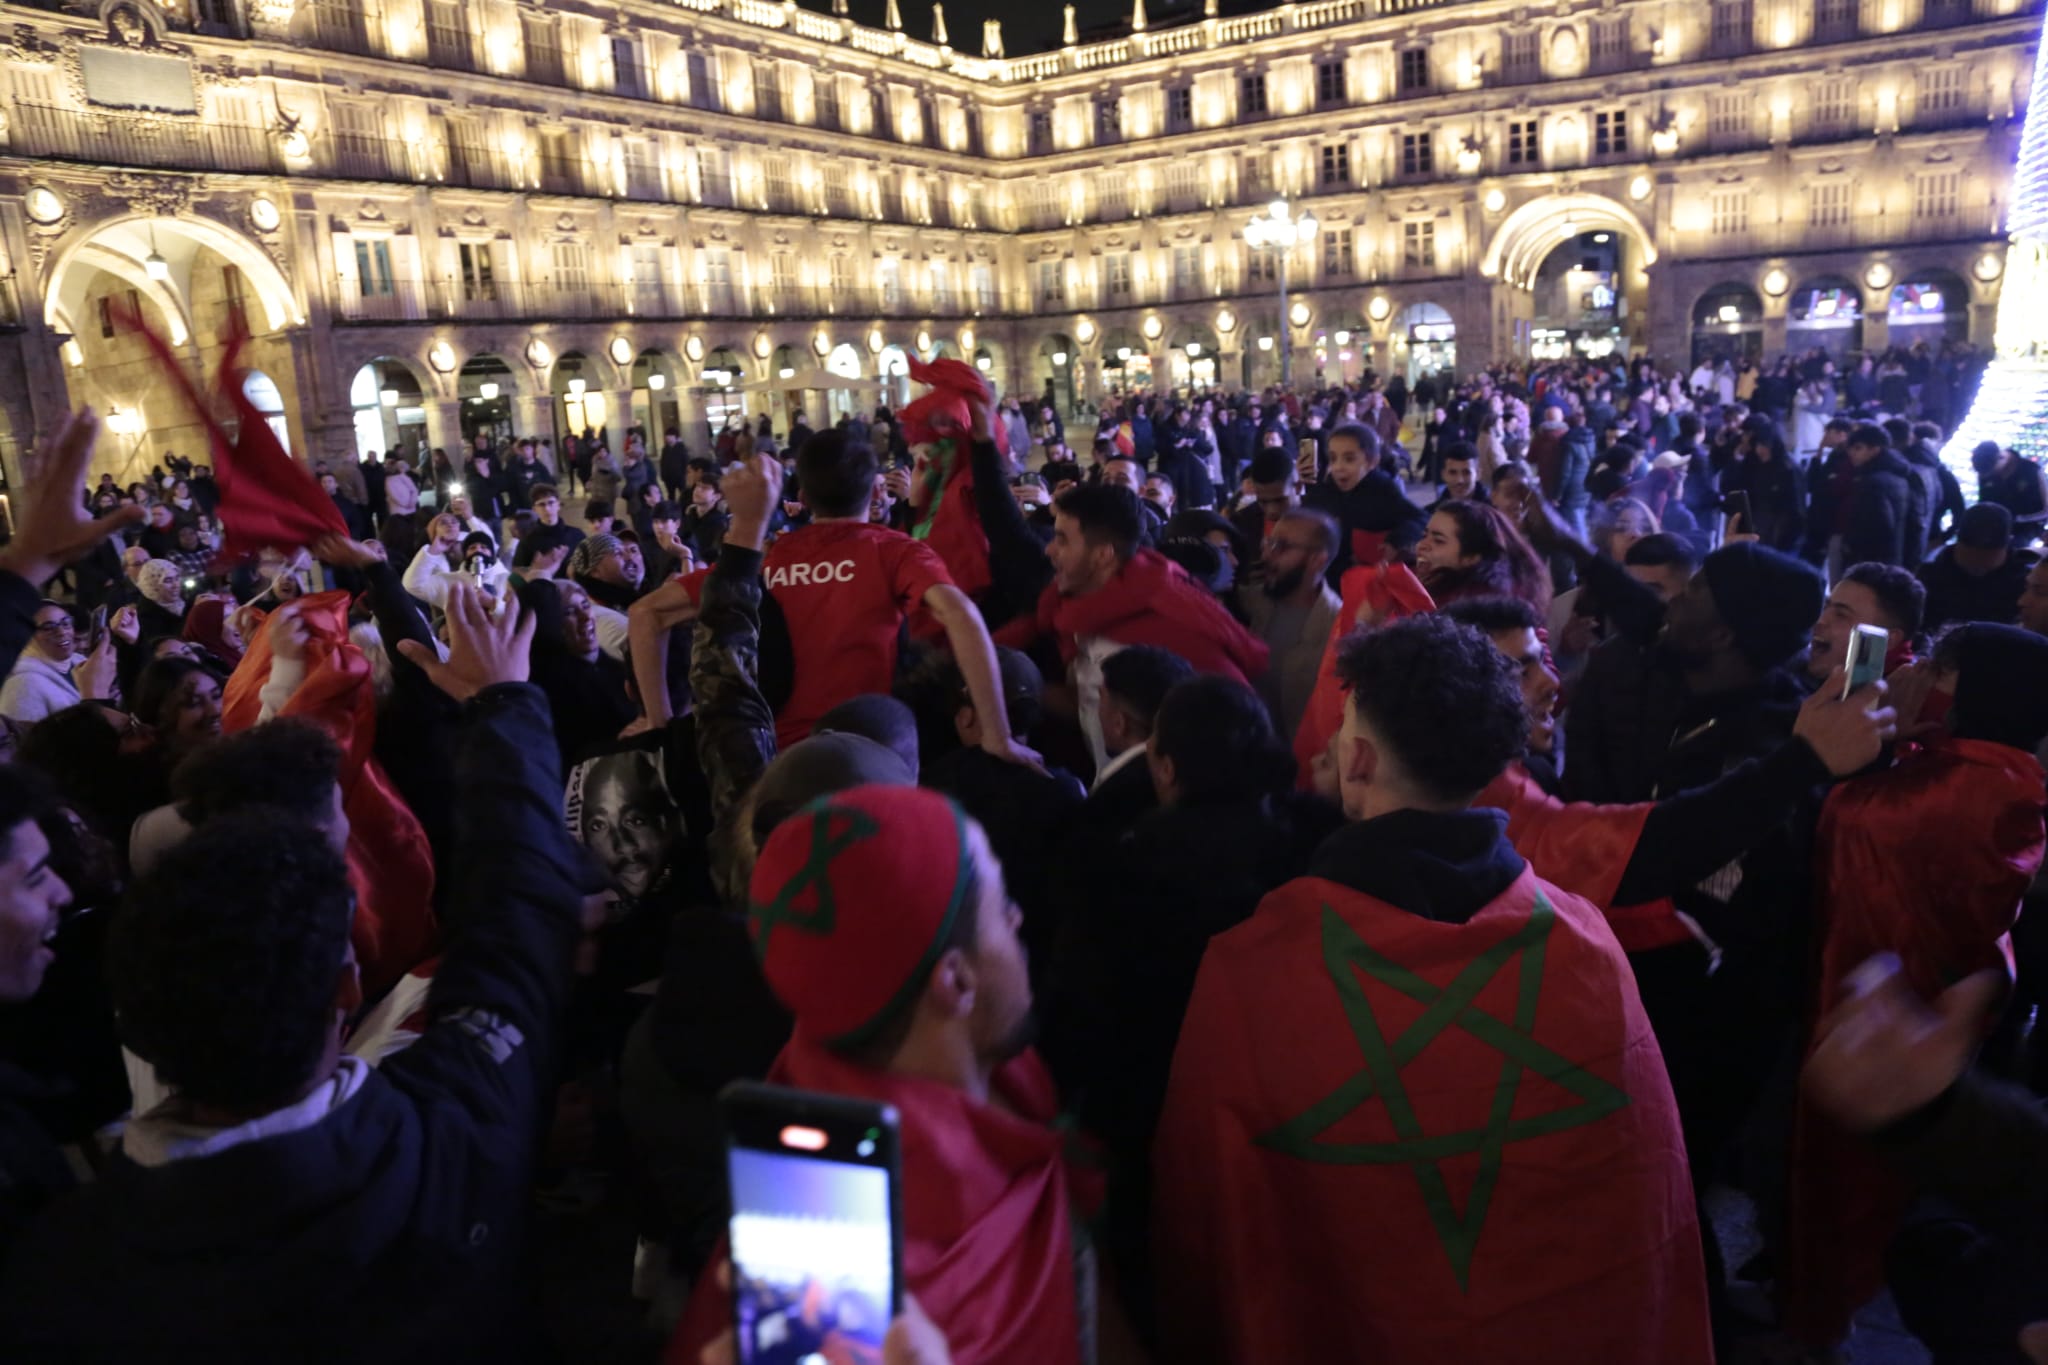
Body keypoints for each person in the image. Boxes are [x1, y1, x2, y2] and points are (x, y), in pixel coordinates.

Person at [0, 587, 594, 1360]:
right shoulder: (457, 1128)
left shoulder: (53, 1275)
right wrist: (506, 703)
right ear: (345, 988)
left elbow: (521, 920)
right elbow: (521, 917)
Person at [1151, 615, 1712, 1365]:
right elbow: (1641, 1200)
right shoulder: (1584, 942)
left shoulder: (1255, 965)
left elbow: (1204, 1215)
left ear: (1356, 761)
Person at [674, 784, 1105, 1365]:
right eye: (1000, 904)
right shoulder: (852, 1306)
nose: (1017, 915)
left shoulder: (1004, 1072)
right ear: (954, 982)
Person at [1784, 623, 2048, 1349]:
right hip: (1919, 1030)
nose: (1915, 669)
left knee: (1856, 1190)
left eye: (1937, 664)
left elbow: (1841, 819)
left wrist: (1838, 749)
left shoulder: (1954, 793)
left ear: (1972, 693)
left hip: (1886, 1030)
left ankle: (1828, 1319)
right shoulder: (1988, 770)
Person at [996, 484, 1267, 773]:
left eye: (1062, 540)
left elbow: (1239, 737)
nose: (1049, 549)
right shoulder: (1082, 610)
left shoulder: (1167, 630)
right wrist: (1014, 684)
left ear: (1103, 555)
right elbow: (1091, 703)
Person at [1238, 507, 1340, 742]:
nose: (1266, 555)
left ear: (1317, 560)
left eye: (1280, 547)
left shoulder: (1337, 628)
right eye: (1268, 543)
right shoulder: (1251, 603)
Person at [1302, 423, 1427, 586]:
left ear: (1371, 462)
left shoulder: (1383, 490)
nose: (1338, 467)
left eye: (1349, 459)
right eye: (1333, 458)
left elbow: (1420, 518)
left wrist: (1397, 539)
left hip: (1367, 583)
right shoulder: (1325, 491)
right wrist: (1299, 490)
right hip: (1328, 580)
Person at [1414, 499, 1551, 612]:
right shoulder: (1417, 580)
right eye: (1424, 535)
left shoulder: (1487, 613)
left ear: (1472, 557)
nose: (1421, 545)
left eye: (1438, 541)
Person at [1804, 561, 1925, 687]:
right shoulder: (1795, 672)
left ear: (1888, 640)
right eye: (1825, 607)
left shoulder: (1905, 699)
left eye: (1841, 615)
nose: (1819, 621)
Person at [1920, 502, 2037, 631]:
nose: (1978, 567)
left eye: (1986, 562)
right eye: (1969, 561)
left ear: (2009, 543)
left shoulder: (2028, 584)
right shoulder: (1929, 576)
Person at [0, 603, 111, 725]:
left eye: (65, 623)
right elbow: (25, 742)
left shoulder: (79, 661)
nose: (61, 632)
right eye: (48, 628)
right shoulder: (21, 685)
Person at [1971, 440, 2048, 546]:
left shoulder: (2031, 470)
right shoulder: (1986, 472)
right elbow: (1983, 501)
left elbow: (2046, 510)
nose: (1988, 475)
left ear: (2001, 458)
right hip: (1995, 527)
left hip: (2026, 528)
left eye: (1992, 471)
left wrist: (2019, 519)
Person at [511, 485, 586, 569]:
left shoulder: (576, 535)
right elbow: (518, 570)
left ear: (558, 505)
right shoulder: (528, 541)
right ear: (534, 509)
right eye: (541, 504)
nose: (547, 508)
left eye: (551, 503)